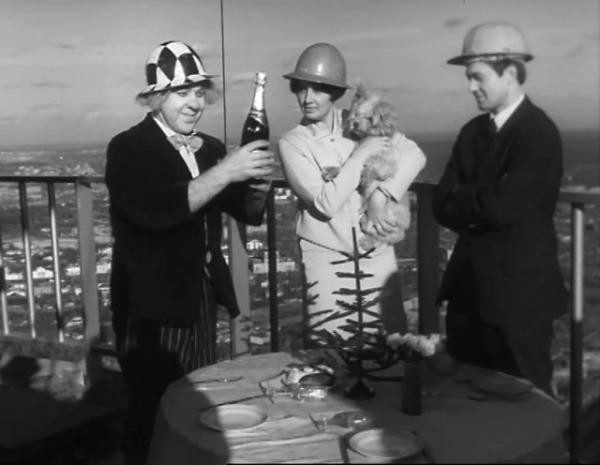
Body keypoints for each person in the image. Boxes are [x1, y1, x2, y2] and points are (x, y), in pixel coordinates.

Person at [105, 40, 274, 464]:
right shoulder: (128, 148)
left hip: (199, 297)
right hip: (149, 304)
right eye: (183, 93)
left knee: (196, 400)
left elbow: (244, 210)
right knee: (151, 409)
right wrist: (227, 171)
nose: (195, 103)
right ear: (156, 98)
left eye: (199, 92)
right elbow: (155, 212)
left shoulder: (210, 148)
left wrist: (257, 187)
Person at [433, 22, 568, 395]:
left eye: (477, 76)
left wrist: (468, 199)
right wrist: (484, 198)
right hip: (468, 299)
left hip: (518, 305)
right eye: (468, 77)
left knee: (529, 405)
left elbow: (502, 207)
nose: (470, 87)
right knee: (467, 403)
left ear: (509, 72)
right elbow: (442, 203)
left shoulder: (538, 134)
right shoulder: (472, 132)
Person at [278, 43, 425, 343]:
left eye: (318, 89)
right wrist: (362, 154)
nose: (307, 98)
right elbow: (325, 203)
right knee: (330, 350)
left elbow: (414, 154)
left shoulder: (358, 119)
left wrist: (382, 197)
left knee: (388, 350)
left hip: (377, 255)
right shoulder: (293, 142)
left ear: (334, 92)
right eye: (301, 89)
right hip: (327, 261)